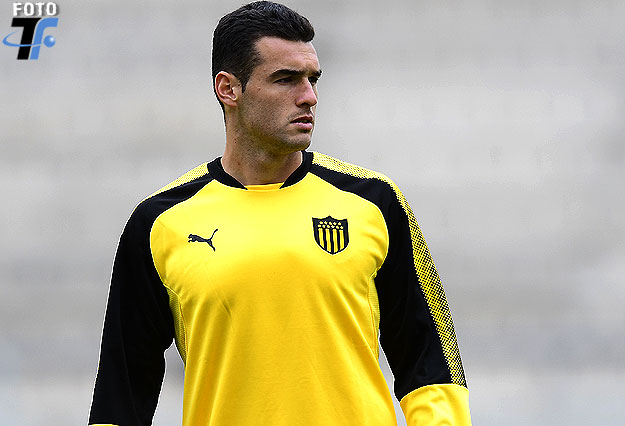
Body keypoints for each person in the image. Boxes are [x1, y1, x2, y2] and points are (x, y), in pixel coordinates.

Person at [88, 2, 472, 426]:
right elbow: (121, 393)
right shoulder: (160, 222)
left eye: (313, 79)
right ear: (228, 89)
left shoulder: (375, 202)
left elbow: (432, 363)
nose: (309, 97)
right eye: (286, 79)